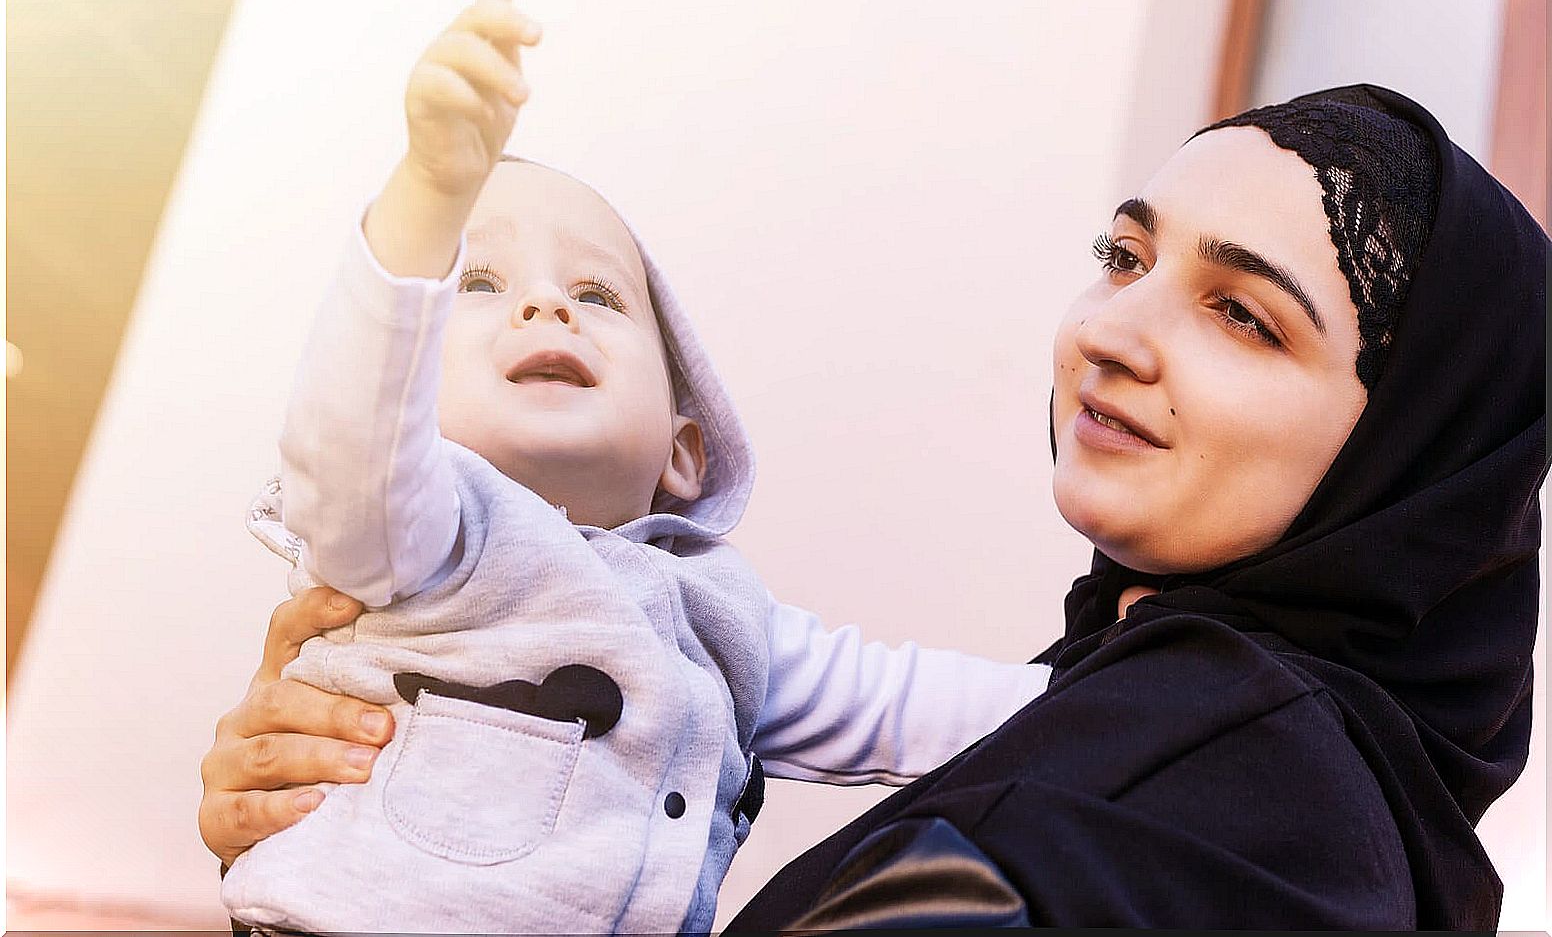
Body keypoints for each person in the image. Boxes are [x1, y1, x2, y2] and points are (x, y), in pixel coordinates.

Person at [200, 69, 1546, 925]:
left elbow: (876, 699)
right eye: (1124, 253)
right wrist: (374, 804)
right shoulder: (1166, 718)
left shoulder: (1206, 788)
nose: (1115, 333)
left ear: (1418, 452)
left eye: (1244, 314)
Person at [217, 0, 1048, 936]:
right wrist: (431, 191)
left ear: (683, 449)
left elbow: (907, 704)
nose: (545, 305)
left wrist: (1131, 692)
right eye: (476, 282)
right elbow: (349, 436)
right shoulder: (419, 539)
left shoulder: (726, 618)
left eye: (598, 294)